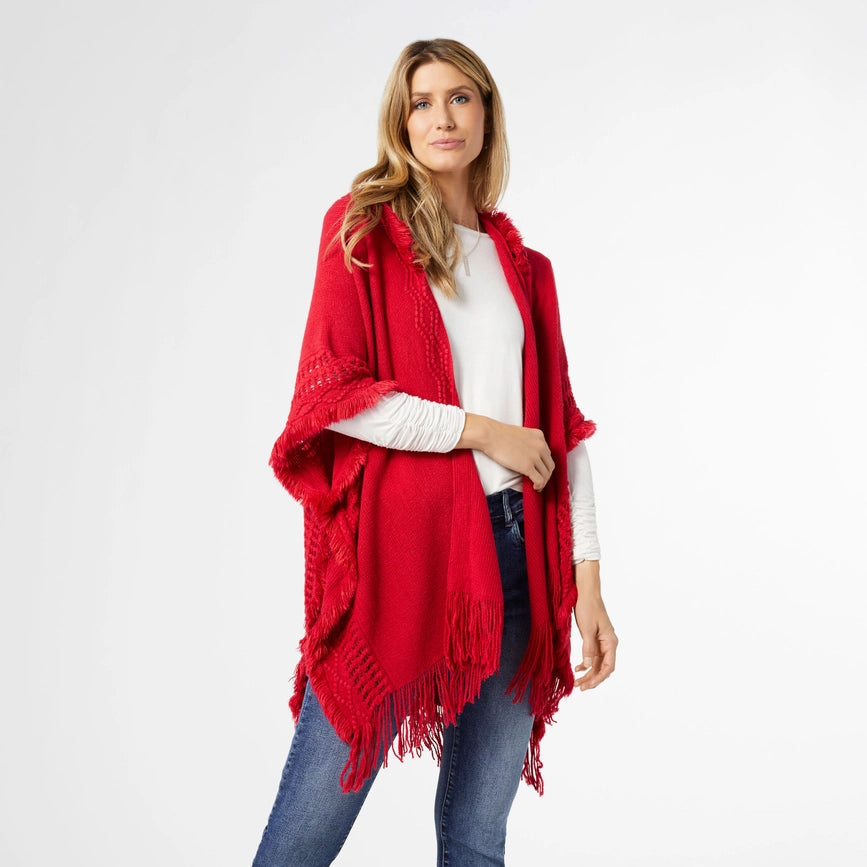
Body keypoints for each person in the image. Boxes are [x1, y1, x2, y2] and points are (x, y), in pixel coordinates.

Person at [253, 37, 618, 867]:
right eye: (421, 102)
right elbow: (340, 400)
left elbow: (562, 433)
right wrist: (484, 431)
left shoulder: (526, 269)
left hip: (520, 562)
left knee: (476, 842)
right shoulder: (362, 230)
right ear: (400, 122)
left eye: (459, 97)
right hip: (403, 558)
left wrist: (589, 584)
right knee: (300, 844)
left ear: (486, 114)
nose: (441, 117)